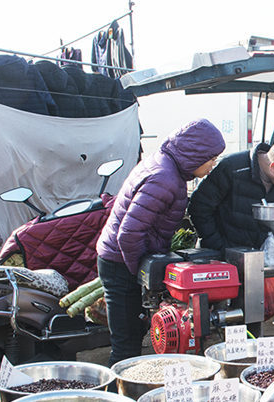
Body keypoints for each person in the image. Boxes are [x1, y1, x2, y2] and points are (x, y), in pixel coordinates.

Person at [96, 119, 225, 365]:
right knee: (126, 345)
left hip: (122, 259)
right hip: (120, 262)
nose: (212, 165)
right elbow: (129, 234)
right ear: (195, 153)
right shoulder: (164, 178)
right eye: (211, 158)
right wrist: (144, 276)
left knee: (135, 335)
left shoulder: (168, 167)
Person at [188, 138, 274, 249]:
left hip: (260, 262)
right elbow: (199, 206)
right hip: (222, 259)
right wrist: (216, 244)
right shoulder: (232, 168)